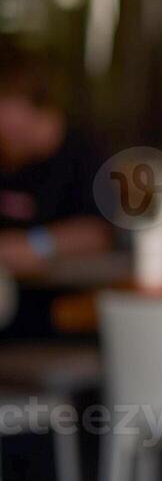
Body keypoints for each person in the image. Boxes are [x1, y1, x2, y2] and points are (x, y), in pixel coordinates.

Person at [0, 53, 112, 335]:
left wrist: (37, 245)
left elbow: (98, 232)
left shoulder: (84, 153)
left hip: (61, 308)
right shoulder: (8, 158)